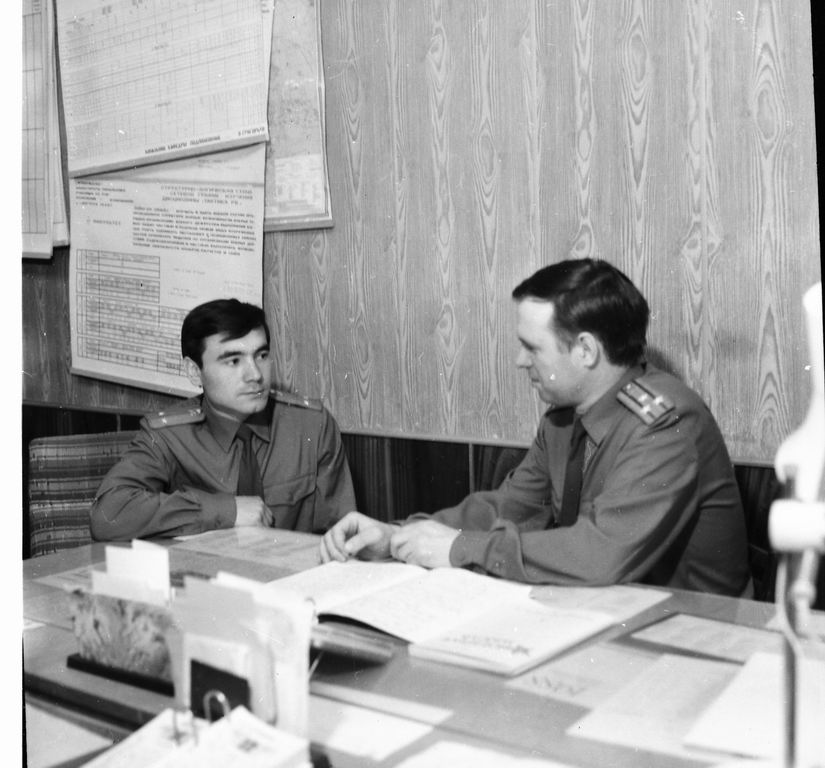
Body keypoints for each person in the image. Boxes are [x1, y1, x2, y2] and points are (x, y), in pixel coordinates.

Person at [320, 258, 752, 596]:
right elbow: (514, 506)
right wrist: (398, 535)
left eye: (532, 347)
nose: (519, 361)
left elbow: (600, 553)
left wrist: (459, 548)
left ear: (585, 350)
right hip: (605, 608)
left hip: (696, 633)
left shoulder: (667, 425)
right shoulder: (564, 417)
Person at [90, 299, 356, 540]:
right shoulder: (168, 436)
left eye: (261, 356)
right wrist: (227, 511)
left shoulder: (311, 425)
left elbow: (342, 533)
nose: (255, 375)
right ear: (194, 371)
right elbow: (108, 514)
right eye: (233, 361)